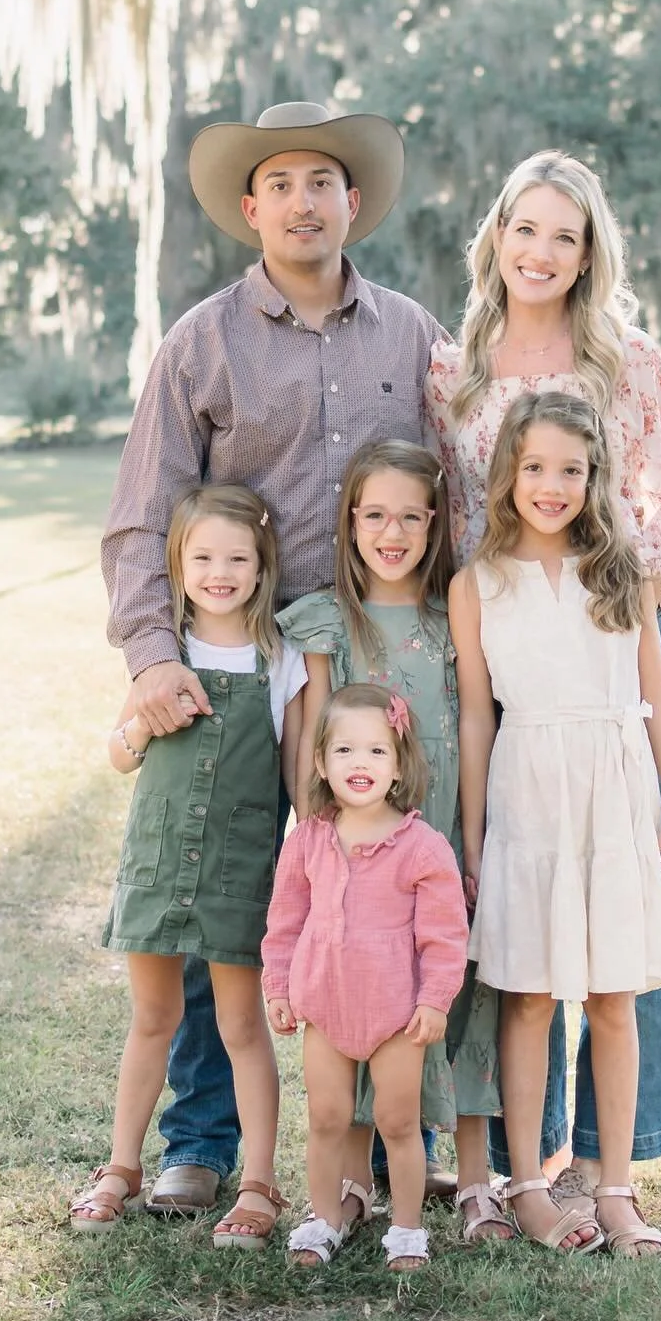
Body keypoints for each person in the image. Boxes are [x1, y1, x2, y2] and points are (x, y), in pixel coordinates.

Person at [100, 101, 446, 1219]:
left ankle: (399, 1130)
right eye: (282, 184)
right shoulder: (202, 341)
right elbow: (140, 514)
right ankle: (203, 1142)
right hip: (240, 656)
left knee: (387, 873)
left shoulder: (411, 334)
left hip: (378, 647)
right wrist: (155, 657)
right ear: (252, 209)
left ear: (355, 204)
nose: (304, 201)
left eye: (324, 182)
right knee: (230, 898)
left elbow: (461, 492)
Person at [424, 148, 661, 1210]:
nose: (542, 252)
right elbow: (451, 512)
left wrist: (637, 596)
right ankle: (514, 1166)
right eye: (526, 228)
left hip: (612, 641)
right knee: (520, 898)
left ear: (589, 252)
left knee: (623, 906)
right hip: (501, 642)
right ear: (495, 236)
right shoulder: (452, 362)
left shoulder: (625, 357)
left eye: (566, 234)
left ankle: (613, 1162)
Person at [451, 392, 661, 1257]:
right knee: (525, 998)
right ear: (508, 473)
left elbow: (655, 700)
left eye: (572, 471)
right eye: (536, 467)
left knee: (613, 998)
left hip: (614, 796)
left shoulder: (623, 573)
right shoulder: (477, 584)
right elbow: (478, 717)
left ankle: (617, 1187)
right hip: (526, 798)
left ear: (596, 480)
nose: (552, 486)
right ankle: (527, 1187)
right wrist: (475, 834)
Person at [279, 440, 510, 1250]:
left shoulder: (456, 618)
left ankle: (478, 1179)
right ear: (348, 522)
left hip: (438, 841)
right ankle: (346, 1184)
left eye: (412, 515)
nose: (393, 531)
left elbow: (476, 723)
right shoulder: (327, 623)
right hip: (352, 855)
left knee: (463, 991)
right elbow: (309, 743)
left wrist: (471, 839)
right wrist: (313, 843)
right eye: (375, 514)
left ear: (437, 523)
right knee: (354, 997)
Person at [71, 486, 305, 1247]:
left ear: (262, 565)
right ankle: (120, 1166)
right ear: (177, 563)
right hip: (159, 861)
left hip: (240, 871)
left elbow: (299, 772)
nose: (219, 571)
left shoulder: (281, 658)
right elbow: (116, 752)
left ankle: (261, 1181)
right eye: (202, 557)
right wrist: (139, 724)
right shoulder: (163, 651)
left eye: (237, 557)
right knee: (153, 1019)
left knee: (241, 1024)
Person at [262, 684, 469, 1272]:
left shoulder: (422, 848)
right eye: (346, 751)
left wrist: (434, 1000)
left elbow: (444, 936)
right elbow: (284, 925)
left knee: (397, 1121)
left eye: (378, 752)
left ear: (400, 765)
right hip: (325, 1004)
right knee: (327, 1118)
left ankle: (406, 1229)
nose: (361, 763)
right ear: (322, 764)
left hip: (397, 1012)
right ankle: (324, 1218)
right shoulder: (306, 842)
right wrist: (278, 987)